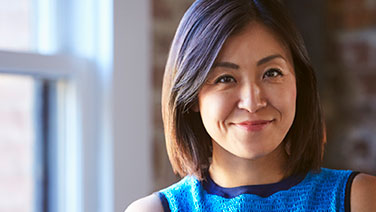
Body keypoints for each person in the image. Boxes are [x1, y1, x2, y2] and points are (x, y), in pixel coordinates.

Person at [126, 0, 376, 211]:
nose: (253, 101)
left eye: (272, 73)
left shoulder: (361, 200)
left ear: (298, 83)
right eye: (225, 78)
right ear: (192, 97)